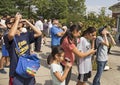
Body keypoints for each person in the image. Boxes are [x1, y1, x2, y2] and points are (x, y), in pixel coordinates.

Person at [4, 13, 42, 85]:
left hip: (28, 68)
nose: (18, 22)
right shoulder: (7, 37)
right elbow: (11, 35)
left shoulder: (26, 34)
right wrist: (17, 19)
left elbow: (39, 33)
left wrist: (27, 22)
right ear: (9, 25)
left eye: (20, 21)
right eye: (14, 21)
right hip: (15, 70)